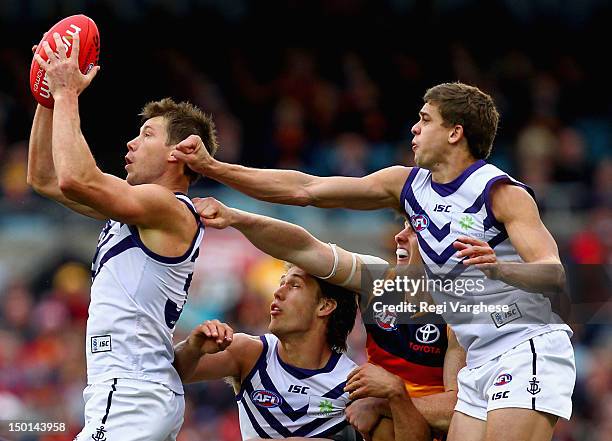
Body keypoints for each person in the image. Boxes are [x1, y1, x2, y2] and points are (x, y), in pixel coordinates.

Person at [172, 82, 575, 441]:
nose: (414, 129)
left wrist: (500, 267)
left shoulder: (500, 192)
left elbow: (554, 274)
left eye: (425, 120)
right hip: (479, 360)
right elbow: (307, 188)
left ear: (455, 133)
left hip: (525, 345)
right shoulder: (407, 185)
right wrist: (213, 168)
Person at [28, 32, 217, 441]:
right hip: (132, 390)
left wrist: (65, 94)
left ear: (179, 152)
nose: (131, 142)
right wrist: (46, 96)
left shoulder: (168, 207)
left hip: (131, 390)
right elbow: (43, 179)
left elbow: (76, 178)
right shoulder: (138, 209)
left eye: (147, 135)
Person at [191, 197, 467, 441]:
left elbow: (461, 408)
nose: (398, 236)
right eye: (402, 226)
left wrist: (390, 399)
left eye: (414, 229)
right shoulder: (380, 283)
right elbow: (303, 245)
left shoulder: (465, 309)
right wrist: (236, 218)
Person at [173, 265, 361, 440]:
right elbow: (168, 373)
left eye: (294, 285)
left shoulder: (355, 383)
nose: (278, 293)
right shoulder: (250, 352)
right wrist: (193, 347)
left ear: (325, 306)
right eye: (281, 283)